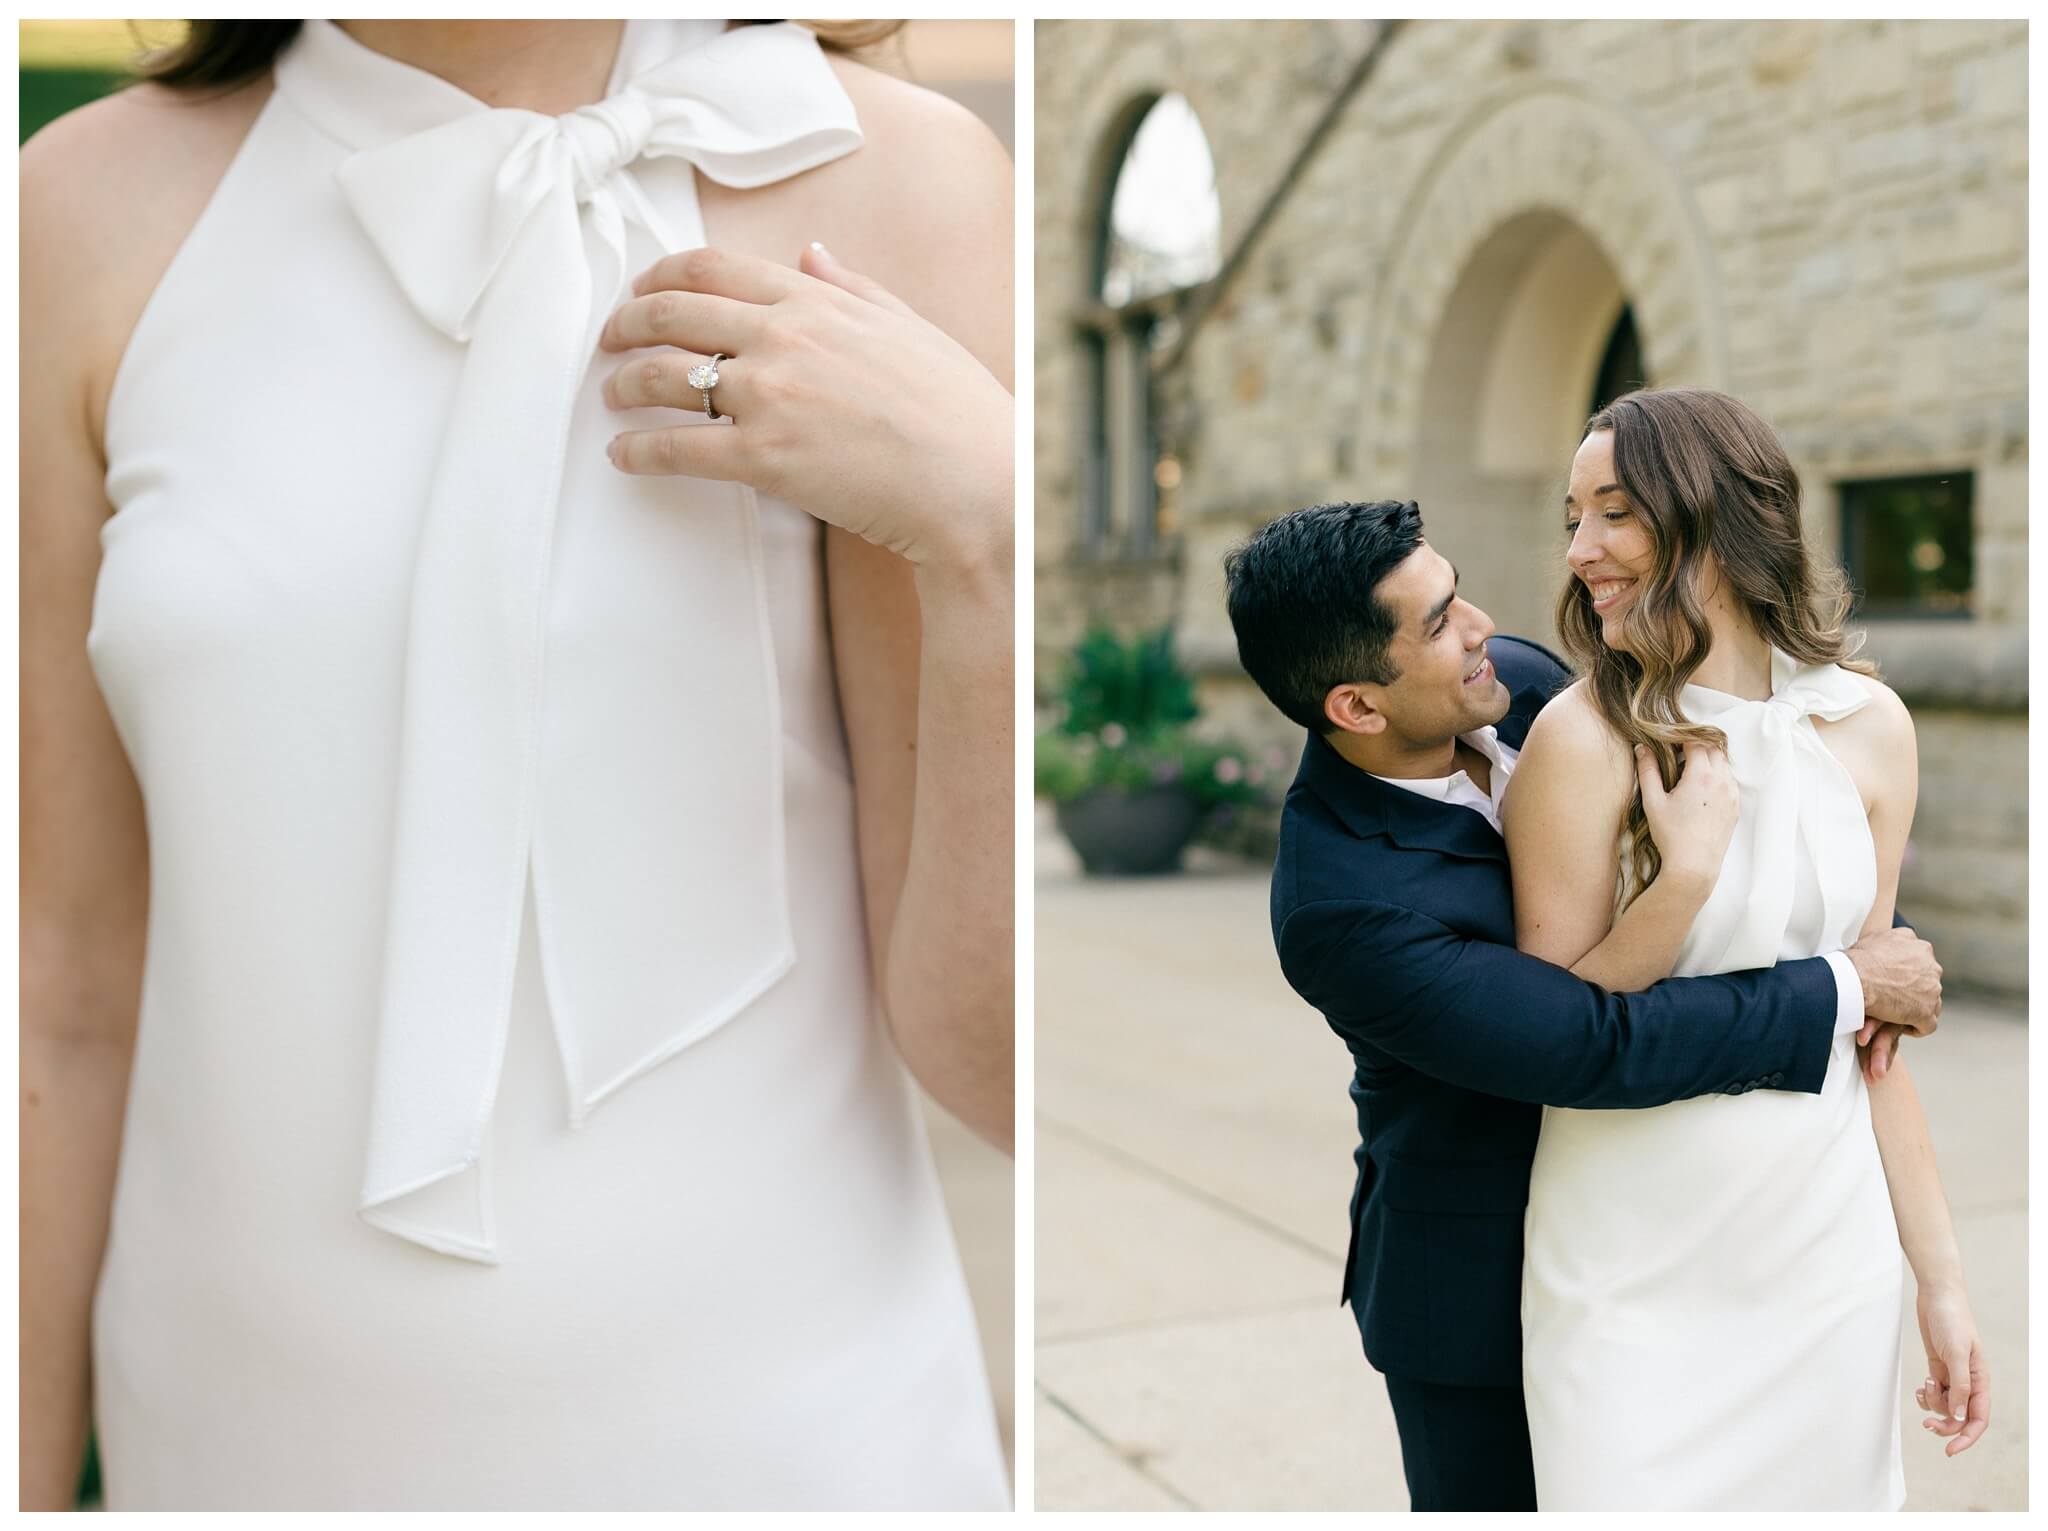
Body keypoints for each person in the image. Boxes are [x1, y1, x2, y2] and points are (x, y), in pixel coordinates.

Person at [22, 18, 1012, 1510]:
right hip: (230, 1456)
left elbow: (991, 1058)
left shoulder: (893, 186)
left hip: (800, 1450)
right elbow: (54, 989)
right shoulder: (73, 217)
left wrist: (991, 543)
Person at [1223, 497, 1945, 1511]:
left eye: (1455, 593)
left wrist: (1852, 921)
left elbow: (1725, 819)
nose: (1479, 626)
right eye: (1434, 624)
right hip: (1480, 1287)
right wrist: (1840, 984)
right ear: (1355, 706)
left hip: (1684, 1224)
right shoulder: (1340, 907)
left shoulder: (1510, 685)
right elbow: (1590, 1043)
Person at [1510, 388, 1987, 1508]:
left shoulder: (1869, 727)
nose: (1579, 549)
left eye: (1612, 513)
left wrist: (1942, 1282)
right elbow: (1554, 1031)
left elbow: (1873, 1037)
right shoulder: (1579, 739)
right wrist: (1679, 881)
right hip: (1625, 1259)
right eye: (1570, 516)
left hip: (1823, 1255)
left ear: (1711, 518)